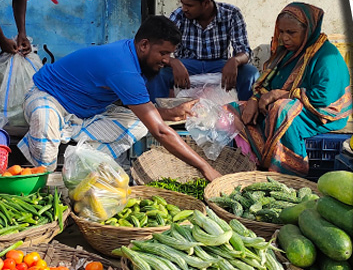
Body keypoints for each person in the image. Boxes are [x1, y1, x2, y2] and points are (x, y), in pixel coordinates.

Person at [18, 16, 222, 181]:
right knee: (45, 121)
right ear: (144, 45)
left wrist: (169, 113)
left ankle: (79, 161)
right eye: (163, 53)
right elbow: (160, 131)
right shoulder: (123, 70)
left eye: (170, 54)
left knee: (140, 124)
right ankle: (43, 180)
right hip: (47, 96)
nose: (166, 61)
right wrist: (205, 167)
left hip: (86, 113)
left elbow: (144, 112)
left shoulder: (130, 52)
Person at [224, 3, 352, 176]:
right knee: (232, 110)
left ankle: (285, 172)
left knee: (282, 109)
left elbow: (323, 97)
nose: (284, 38)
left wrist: (278, 94)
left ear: (307, 31)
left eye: (291, 33)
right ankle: (251, 162)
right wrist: (254, 100)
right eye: (281, 31)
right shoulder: (287, 52)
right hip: (284, 105)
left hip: (321, 112)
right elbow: (267, 82)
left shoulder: (327, 57)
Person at [146, 0, 259, 103]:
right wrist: (173, 62)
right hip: (187, 64)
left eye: (189, 5)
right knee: (155, 72)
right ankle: (158, 113)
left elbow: (244, 51)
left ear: (206, 3)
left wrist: (235, 61)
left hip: (219, 64)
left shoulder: (232, 14)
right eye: (183, 4)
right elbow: (159, 49)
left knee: (250, 73)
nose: (184, 9)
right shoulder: (179, 15)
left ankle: (244, 114)